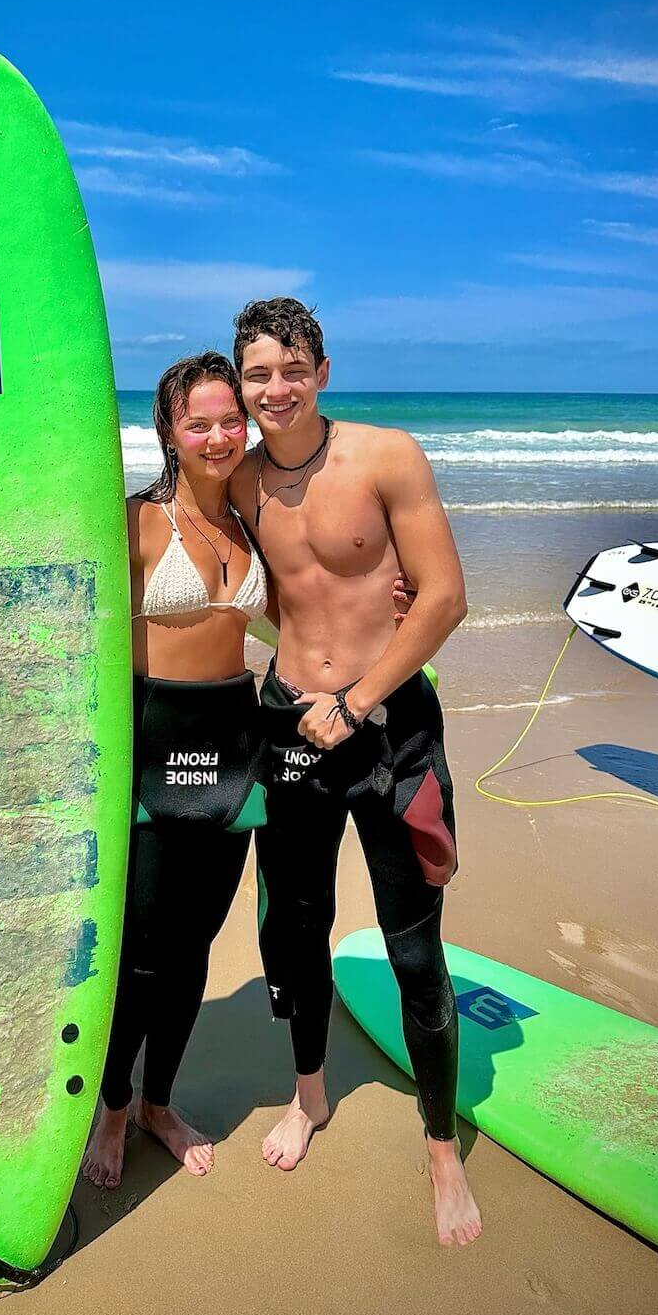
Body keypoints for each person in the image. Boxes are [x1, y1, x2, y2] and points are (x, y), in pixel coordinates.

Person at [227, 296, 482, 1248]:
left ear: (322, 372)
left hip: (389, 732)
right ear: (243, 383)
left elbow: (445, 596)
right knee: (296, 928)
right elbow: (226, 581)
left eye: (293, 369)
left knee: (415, 948)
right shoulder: (240, 479)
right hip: (291, 723)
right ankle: (310, 1097)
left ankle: (441, 1146)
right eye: (259, 374)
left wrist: (359, 695)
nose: (276, 388)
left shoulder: (386, 456)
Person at [82, 353, 270, 1188]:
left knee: (196, 945)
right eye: (199, 423)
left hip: (234, 741)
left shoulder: (255, 521)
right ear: (168, 430)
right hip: (153, 741)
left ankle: (160, 1103)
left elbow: (298, 612)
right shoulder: (133, 523)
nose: (219, 436)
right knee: (142, 952)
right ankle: (113, 1107)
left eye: (231, 419)